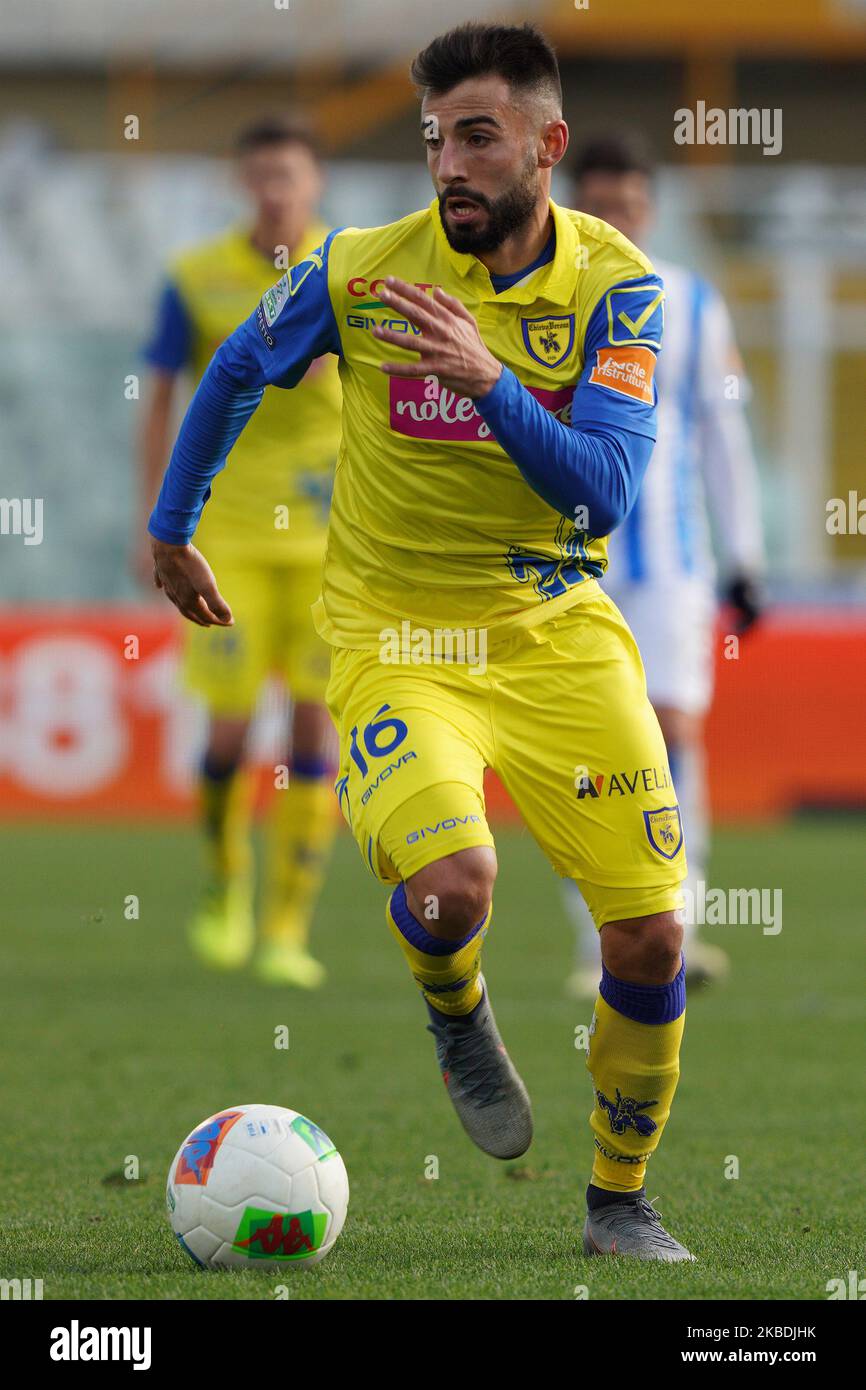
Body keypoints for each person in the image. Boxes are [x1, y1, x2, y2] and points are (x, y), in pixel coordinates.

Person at [147, 23, 697, 1261]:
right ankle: (455, 1005)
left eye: (479, 136)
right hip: (397, 636)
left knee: (651, 932)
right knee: (452, 889)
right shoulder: (358, 269)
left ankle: (618, 1194)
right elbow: (234, 366)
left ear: (547, 146)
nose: (448, 162)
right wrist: (173, 529)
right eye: (435, 137)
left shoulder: (618, 290)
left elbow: (601, 494)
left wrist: (488, 379)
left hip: (555, 636)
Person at [138, 117, 342, 988]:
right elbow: (161, 398)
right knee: (228, 728)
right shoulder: (195, 278)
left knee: (312, 729)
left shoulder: (349, 272)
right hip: (226, 534)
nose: (274, 192)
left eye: (288, 177)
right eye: (259, 176)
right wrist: (154, 517)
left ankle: (287, 928)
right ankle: (226, 885)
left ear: (315, 183)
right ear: (240, 183)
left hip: (334, 536)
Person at [564, 135, 766, 997]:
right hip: (569, 553)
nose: (621, 220)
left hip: (673, 558)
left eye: (633, 206)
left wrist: (745, 555)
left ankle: (680, 917)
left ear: (651, 209)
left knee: (673, 727)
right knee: (589, 740)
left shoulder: (690, 301)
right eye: (603, 206)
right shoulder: (545, 292)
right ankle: (596, 939)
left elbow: (722, 434)